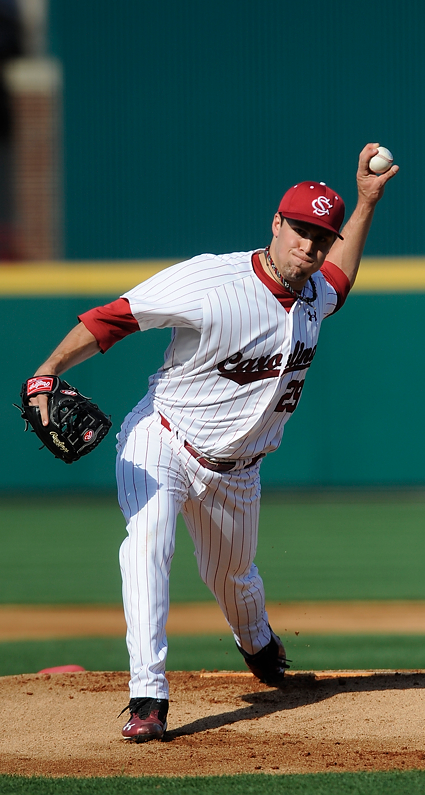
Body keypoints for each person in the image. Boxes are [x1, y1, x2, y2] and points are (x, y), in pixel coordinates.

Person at [30, 143, 398, 742]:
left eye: (319, 237)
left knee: (234, 577)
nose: (308, 245)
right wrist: (47, 371)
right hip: (164, 440)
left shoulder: (315, 294)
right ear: (275, 224)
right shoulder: (211, 280)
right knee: (147, 543)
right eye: (299, 230)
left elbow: (341, 278)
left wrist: (364, 203)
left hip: (238, 472)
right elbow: (114, 317)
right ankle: (148, 696)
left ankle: (257, 645)